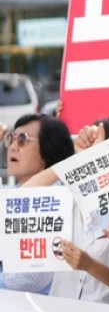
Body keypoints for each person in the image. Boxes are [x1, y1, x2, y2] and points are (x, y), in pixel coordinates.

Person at [15, 119, 109, 304]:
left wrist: (89, 266)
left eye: (101, 149)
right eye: (90, 146)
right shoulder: (72, 195)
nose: (93, 158)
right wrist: (74, 161)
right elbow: (24, 195)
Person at [0, 114, 75, 294]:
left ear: (48, 151)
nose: (13, 147)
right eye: (11, 138)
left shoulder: (58, 201)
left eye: (23, 140)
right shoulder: (12, 194)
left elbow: (27, 281)